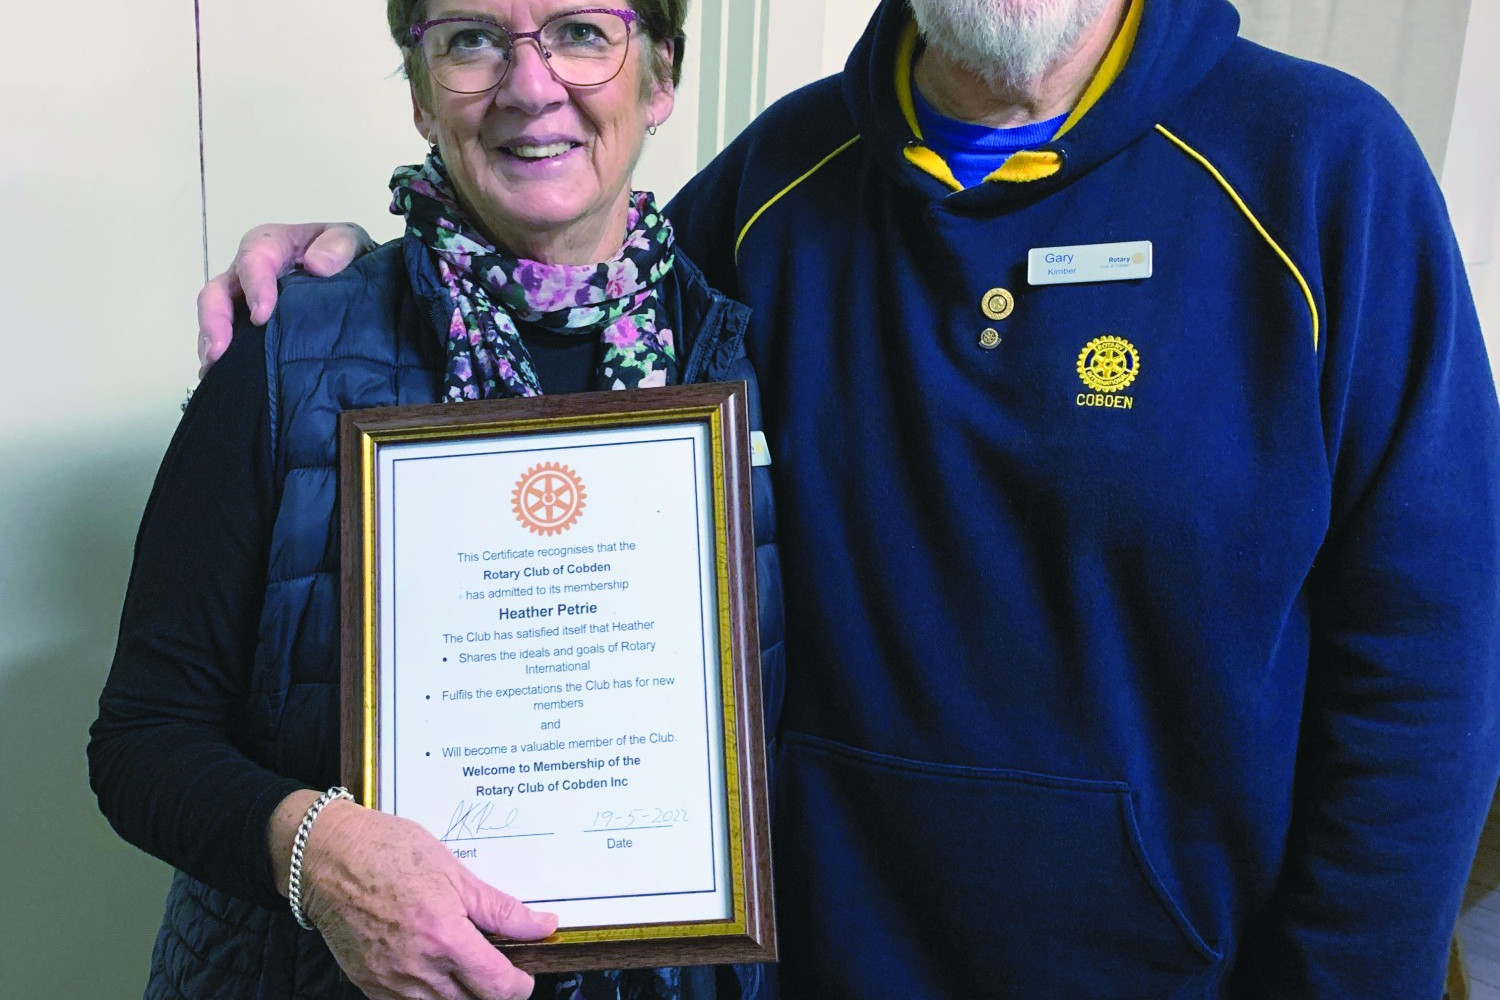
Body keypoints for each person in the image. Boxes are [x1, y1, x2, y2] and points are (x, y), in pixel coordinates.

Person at [195, 0, 1500, 996]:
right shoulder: (781, 186)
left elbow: (1429, 673)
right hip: (810, 964)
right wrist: (349, 281)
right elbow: (558, 321)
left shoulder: (1327, 175)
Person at [89, 1, 783, 999]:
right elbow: (142, 740)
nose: (530, 85)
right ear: (421, 93)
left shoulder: (756, 352)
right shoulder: (288, 351)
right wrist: (316, 853)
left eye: (583, 32)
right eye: (471, 40)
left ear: (661, 77)